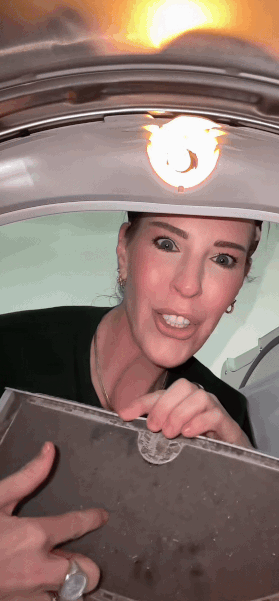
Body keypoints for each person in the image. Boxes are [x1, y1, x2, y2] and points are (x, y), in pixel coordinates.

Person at [0, 211, 262, 601]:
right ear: (124, 249)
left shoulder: (228, 417)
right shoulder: (8, 349)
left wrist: (253, 488)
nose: (188, 285)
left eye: (223, 259)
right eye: (167, 244)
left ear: (240, 281)